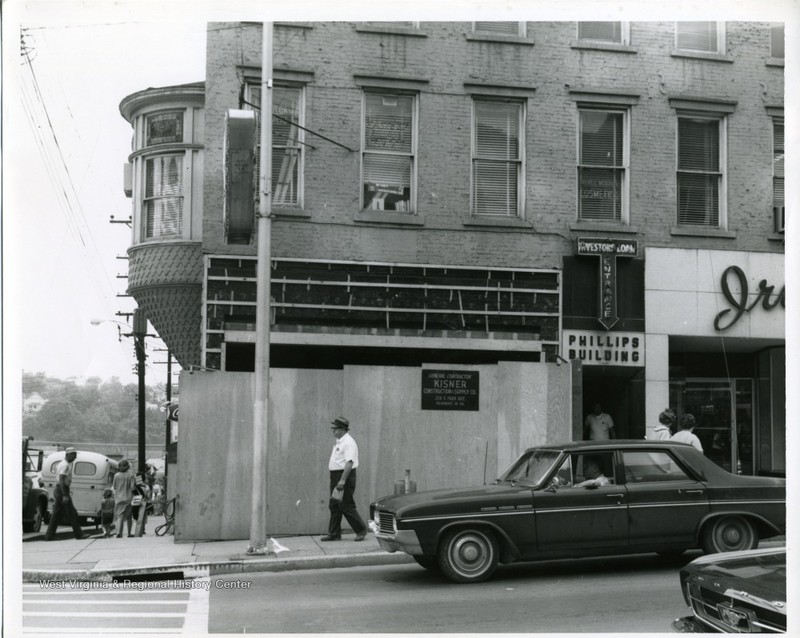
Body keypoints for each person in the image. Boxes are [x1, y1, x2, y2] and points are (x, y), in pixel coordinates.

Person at [320, 416, 368, 542]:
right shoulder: (340, 441)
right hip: (336, 475)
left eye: (335, 429)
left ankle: (361, 530)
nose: (333, 431)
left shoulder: (349, 443)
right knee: (334, 505)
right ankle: (334, 533)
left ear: (342, 429)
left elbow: (349, 463)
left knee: (346, 505)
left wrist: (342, 480)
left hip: (344, 476)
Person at [44, 447, 85, 540]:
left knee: (56, 515)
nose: (75, 457)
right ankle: (79, 535)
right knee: (72, 513)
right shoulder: (65, 465)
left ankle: (49, 536)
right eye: (74, 455)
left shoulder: (62, 464)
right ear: (68, 455)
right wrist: (65, 495)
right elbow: (62, 480)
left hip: (59, 489)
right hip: (62, 490)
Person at [113, 459, 136, 538]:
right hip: (128, 498)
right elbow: (133, 488)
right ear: (128, 466)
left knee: (120, 516)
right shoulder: (131, 475)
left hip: (118, 498)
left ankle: (119, 532)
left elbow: (115, 487)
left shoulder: (116, 475)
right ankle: (129, 533)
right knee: (129, 516)